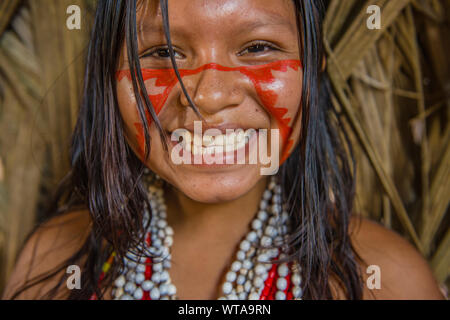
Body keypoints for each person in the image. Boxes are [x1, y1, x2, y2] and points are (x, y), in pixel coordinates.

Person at [2, 0, 444, 300]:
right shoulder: (55, 263)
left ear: (314, 68)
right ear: (109, 74)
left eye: (257, 47)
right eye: (162, 52)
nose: (208, 96)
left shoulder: (387, 280)